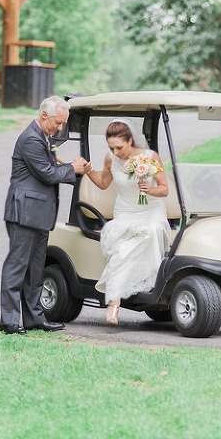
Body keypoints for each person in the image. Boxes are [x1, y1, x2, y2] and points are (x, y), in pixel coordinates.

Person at [0, 96, 90, 334]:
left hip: (39, 215)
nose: (60, 128)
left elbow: (50, 171)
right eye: (58, 123)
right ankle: (9, 321)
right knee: (17, 266)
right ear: (44, 116)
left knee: (36, 269)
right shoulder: (30, 139)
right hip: (24, 213)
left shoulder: (44, 137)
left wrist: (74, 169)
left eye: (63, 124)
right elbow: (47, 174)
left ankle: (34, 319)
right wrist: (73, 168)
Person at [83, 119, 171, 325]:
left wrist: (150, 190)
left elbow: (164, 189)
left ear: (130, 140)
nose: (116, 152)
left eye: (119, 147)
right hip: (125, 212)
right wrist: (89, 171)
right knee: (121, 249)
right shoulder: (110, 159)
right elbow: (103, 183)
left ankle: (149, 283)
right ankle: (114, 304)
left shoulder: (150, 157)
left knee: (150, 231)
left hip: (151, 210)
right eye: (111, 147)